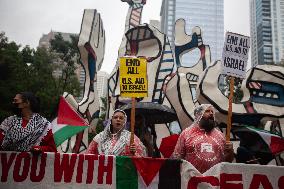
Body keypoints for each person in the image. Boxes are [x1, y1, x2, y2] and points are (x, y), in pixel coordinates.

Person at [171, 104, 234, 173]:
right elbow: (177, 157)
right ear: (198, 115)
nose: (211, 113)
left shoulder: (220, 135)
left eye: (212, 112)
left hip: (214, 180)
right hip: (191, 179)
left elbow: (227, 162)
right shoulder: (186, 133)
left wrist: (230, 152)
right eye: (207, 111)